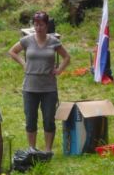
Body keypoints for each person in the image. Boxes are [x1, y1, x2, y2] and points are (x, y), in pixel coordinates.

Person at [8, 11, 70, 154]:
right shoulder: (27, 40)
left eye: (41, 25)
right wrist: (23, 64)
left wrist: (59, 69)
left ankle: (48, 150)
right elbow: (12, 51)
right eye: (36, 25)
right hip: (30, 86)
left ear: (47, 25)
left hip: (49, 87)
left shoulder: (54, 41)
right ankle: (32, 149)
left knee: (49, 119)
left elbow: (67, 57)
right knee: (31, 118)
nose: (38, 28)